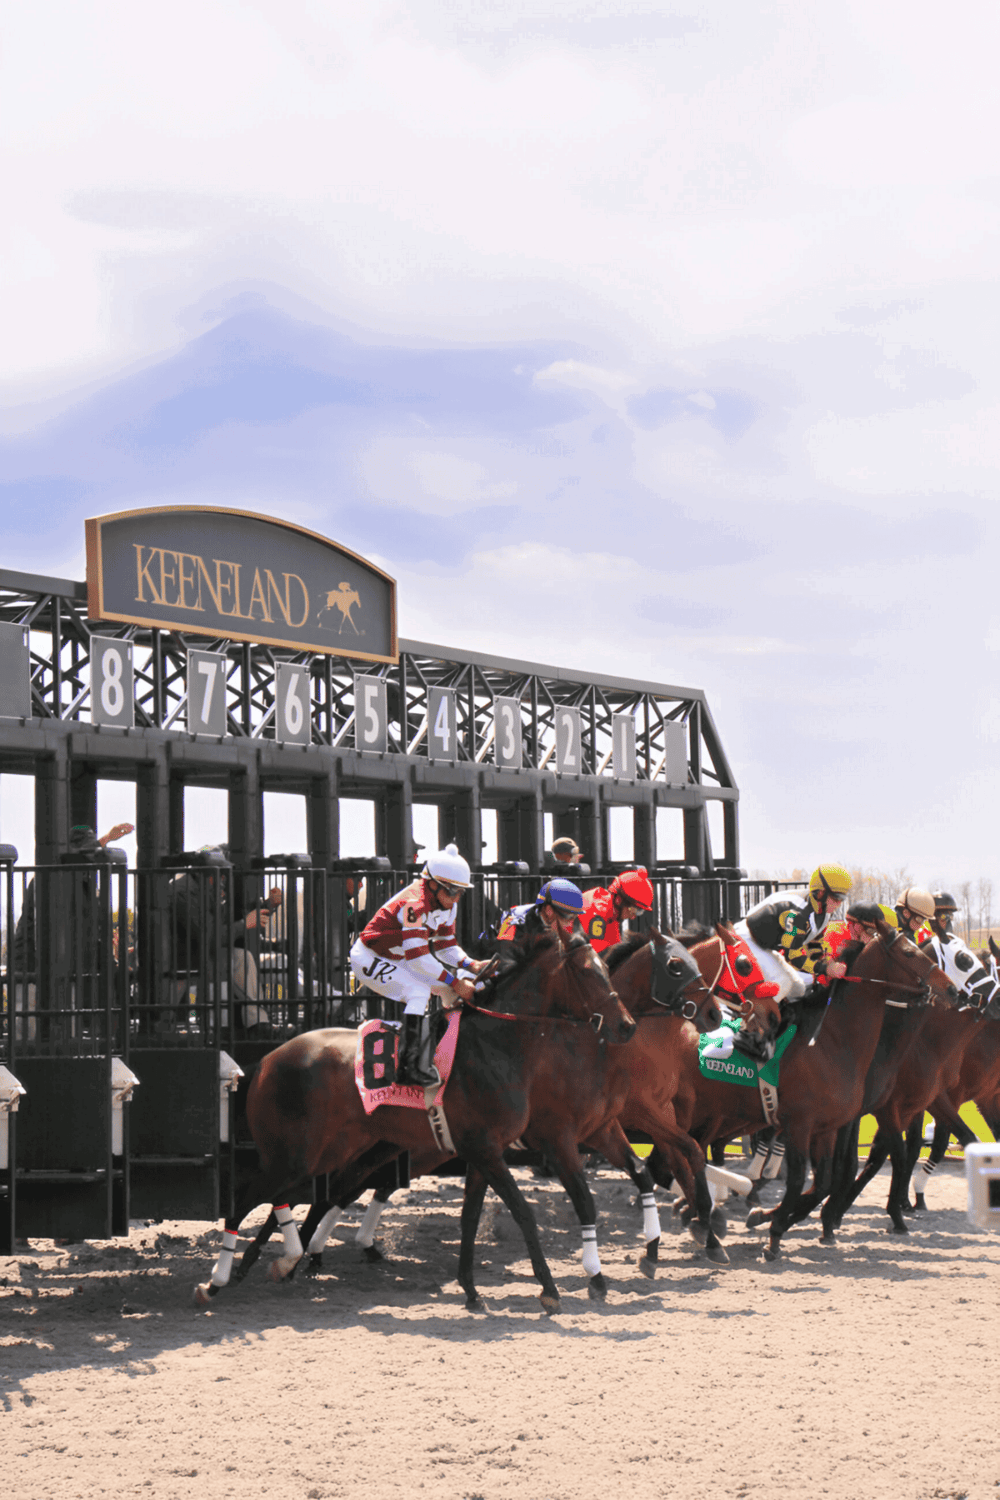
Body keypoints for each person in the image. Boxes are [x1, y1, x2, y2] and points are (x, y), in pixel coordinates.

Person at [350, 843, 490, 1086]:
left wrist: (472, 964)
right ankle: (408, 1066)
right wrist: (456, 981)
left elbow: (445, 947)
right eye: (452, 891)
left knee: (448, 992)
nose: (456, 898)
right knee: (420, 991)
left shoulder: (447, 906)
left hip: (398, 955)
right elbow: (419, 959)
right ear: (432, 884)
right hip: (369, 957)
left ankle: (446, 1055)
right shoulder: (414, 904)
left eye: (460, 892)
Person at [733, 863, 853, 1003]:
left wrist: (827, 963)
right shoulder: (798, 915)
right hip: (746, 940)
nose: (839, 903)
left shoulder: (824, 913)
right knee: (782, 982)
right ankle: (745, 1021)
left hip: (766, 946)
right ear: (820, 893)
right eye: (837, 897)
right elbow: (793, 956)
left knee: (799, 988)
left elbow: (816, 946)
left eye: (842, 899)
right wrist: (825, 969)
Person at [580, 867, 654, 954]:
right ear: (619, 900)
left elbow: (613, 949)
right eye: (635, 911)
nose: (633, 917)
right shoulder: (599, 914)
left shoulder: (611, 911)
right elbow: (599, 956)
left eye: (640, 912)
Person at [496, 878, 584, 945]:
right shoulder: (516, 924)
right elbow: (505, 963)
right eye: (568, 917)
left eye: (574, 917)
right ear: (549, 911)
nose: (571, 923)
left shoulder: (569, 926)